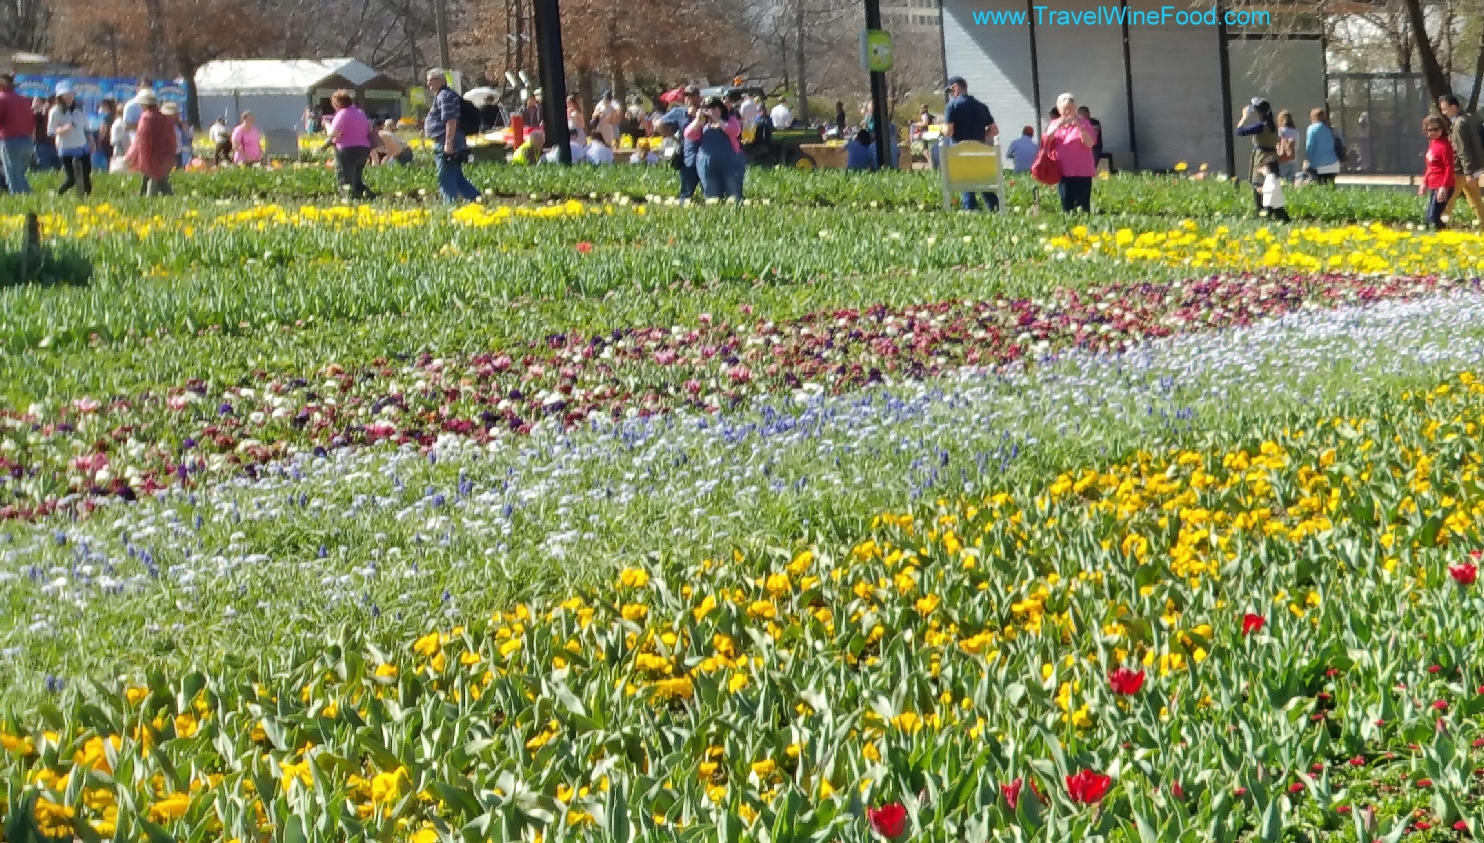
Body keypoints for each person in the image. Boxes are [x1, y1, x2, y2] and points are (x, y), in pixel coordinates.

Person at [424, 68, 480, 203]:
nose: (428, 84)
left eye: (431, 80)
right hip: (449, 139)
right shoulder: (442, 96)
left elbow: (451, 120)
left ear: (442, 80)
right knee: (456, 176)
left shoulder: (446, 96)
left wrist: (448, 143)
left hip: (448, 140)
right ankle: (476, 199)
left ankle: (450, 205)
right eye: (427, 81)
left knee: (445, 176)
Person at [944, 75, 1000, 210]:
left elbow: (948, 132)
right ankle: (994, 206)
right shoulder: (981, 106)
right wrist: (982, 134)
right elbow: (994, 130)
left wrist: (942, 128)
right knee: (981, 179)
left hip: (960, 152)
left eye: (951, 91)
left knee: (966, 180)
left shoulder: (952, 106)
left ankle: (970, 208)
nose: (951, 95)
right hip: (979, 150)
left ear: (956, 87)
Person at [1046, 93, 1098, 212]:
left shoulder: (1084, 123)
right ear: (1059, 109)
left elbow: (1090, 143)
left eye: (1070, 108)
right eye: (1065, 109)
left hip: (1082, 172)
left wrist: (1079, 127)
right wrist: (1059, 125)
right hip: (1063, 172)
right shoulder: (1054, 124)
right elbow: (1046, 141)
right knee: (1067, 206)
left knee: (1082, 207)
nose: (1068, 112)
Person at [1438, 94, 1484, 226]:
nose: (1443, 112)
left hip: (1459, 170)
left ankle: (1437, 225)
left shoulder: (1459, 124)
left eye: (1445, 109)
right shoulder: (1469, 119)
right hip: (1467, 169)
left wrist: (1469, 173)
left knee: (1448, 201)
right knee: (1475, 201)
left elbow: (1463, 150)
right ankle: (1482, 225)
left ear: (1454, 107)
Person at [686, 94, 743, 201]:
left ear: (721, 109)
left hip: (730, 163)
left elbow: (735, 131)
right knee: (712, 195)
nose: (710, 111)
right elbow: (688, 134)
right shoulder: (703, 124)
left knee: (733, 192)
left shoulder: (730, 119)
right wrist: (698, 120)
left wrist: (717, 120)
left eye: (714, 108)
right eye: (708, 108)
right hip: (707, 164)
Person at [325, 89, 376, 199]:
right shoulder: (360, 113)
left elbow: (335, 133)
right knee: (357, 179)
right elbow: (367, 128)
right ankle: (369, 197)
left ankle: (348, 200)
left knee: (345, 180)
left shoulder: (342, 114)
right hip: (363, 149)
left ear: (338, 103)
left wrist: (327, 125)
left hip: (347, 150)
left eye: (334, 104)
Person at [125, 90, 176, 195]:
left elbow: (142, 140)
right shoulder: (164, 117)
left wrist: (132, 156)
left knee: (154, 181)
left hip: (150, 157)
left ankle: (149, 201)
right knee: (158, 180)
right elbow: (171, 138)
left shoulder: (146, 118)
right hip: (164, 157)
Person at [1236, 98, 1279, 214]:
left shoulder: (1261, 126)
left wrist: (1244, 117)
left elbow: (1239, 131)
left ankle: (1261, 211)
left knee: (1258, 185)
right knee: (1270, 184)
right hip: (1272, 157)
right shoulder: (1273, 125)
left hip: (1261, 157)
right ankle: (1271, 210)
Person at [49, 82, 92, 196]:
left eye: (71, 95)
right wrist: (64, 129)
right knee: (71, 178)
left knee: (86, 177)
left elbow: (86, 128)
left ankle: (86, 198)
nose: (69, 98)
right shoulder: (55, 112)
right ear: (60, 97)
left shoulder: (79, 110)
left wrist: (91, 141)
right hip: (67, 149)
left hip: (82, 148)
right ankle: (58, 194)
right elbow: (51, 131)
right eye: (66, 95)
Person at [0, 74, 34, 194]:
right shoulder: (24, 100)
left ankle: (23, 202)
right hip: (27, 141)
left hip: (10, 141)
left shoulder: (2, 99)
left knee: (13, 178)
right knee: (19, 175)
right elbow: (31, 121)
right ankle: (29, 196)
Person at [1421, 115, 1455, 230]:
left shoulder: (1445, 146)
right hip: (1434, 185)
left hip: (1443, 186)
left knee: (1433, 217)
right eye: (1430, 130)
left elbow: (1449, 168)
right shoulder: (1433, 144)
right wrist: (1424, 183)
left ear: (1442, 129)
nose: (1433, 132)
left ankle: (1442, 237)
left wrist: (1443, 187)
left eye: (1436, 129)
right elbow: (1430, 167)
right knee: (1429, 216)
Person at [1303, 107, 1340, 185]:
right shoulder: (1331, 128)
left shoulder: (1312, 128)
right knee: (1331, 189)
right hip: (1334, 164)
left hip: (1318, 166)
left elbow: (1310, 146)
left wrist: (1307, 160)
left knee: (1319, 189)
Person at [1076, 106, 1113, 173]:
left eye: (1082, 113)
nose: (1080, 115)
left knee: (1093, 160)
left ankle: (1091, 172)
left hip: (1095, 147)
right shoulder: (1078, 123)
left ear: (1087, 113)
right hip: (1082, 148)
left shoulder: (1094, 122)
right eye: (1079, 113)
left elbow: (1095, 133)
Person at [33, 97, 59, 170]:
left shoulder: (40, 113)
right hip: (47, 143)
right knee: (52, 170)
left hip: (46, 144)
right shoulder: (39, 114)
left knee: (45, 169)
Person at [1275, 109, 1300, 180]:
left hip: (1281, 161)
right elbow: (1296, 147)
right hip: (1292, 160)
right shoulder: (1295, 132)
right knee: (1291, 184)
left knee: (1281, 182)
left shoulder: (1279, 131)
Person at [93, 99, 117, 171]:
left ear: (106, 106)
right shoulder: (114, 116)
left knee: (107, 158)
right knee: (110, 157)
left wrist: (99, 141)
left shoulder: (107, 117)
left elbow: (103, 131)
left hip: (106, 141)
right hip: (112, 139)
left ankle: (108, 170)